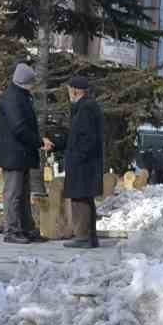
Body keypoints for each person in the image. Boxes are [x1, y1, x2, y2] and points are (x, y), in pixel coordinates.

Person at [0, 62, 49, 244]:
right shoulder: (13, 99)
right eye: (32, 82)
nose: (33, 86)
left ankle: (26, 229)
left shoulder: (21, 96)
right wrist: (39, 142)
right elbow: (19, 128)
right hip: (14, 155)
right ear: (25, 82)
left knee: (23, 193)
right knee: (13, 194)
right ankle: (11, 231)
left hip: (21, 154)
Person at [63, 75, 105, 249]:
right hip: (85, 162)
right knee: (83, 198)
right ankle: (88, 237)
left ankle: (83, 237)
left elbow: (87, 138)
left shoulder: (86, 108)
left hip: (83, 164)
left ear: (74, 90)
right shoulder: (85, 107)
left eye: (69, 90)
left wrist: (78, 158)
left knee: (80, 199)